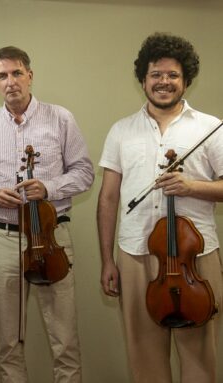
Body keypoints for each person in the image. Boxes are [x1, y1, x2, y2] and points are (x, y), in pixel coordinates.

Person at [97, 32, 223, 383]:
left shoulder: (211, 128)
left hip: (194, 257)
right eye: (156, 75)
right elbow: (108, 198)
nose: (163, 82)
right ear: (143, 79)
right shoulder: (121, 130)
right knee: (144, 358)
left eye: (172, 75)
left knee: (199, 356)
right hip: (135, 252)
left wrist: (191, 186)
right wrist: (107, 259)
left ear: (186, 81)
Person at [0, 46, 94, 383]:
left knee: (64, 340)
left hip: (53, 238)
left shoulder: (60, 118)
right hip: (5, 238)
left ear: (30, 75)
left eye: (17, 73)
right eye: (3, 76)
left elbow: (84, 172)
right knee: (10, 341)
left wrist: (48, 189)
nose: (11, 82)